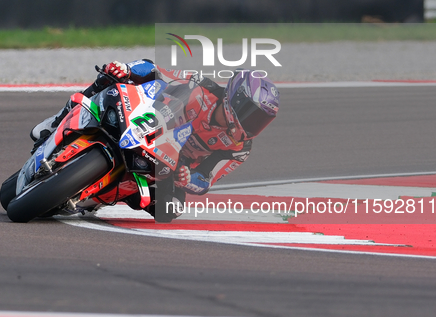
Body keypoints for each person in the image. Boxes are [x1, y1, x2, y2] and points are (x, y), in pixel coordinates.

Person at [30, 60, 280, 217]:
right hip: (147, 121)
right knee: (110, 77)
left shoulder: (239, 149)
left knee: (172, 209)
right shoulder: (199, 83)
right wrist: (128, 70)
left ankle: (101, 195)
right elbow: (155, 70)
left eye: (261, 121)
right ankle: (55, 122)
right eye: (252, 115)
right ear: (235, 97)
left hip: (168, 166)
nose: (253, 125)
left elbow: (206, 179)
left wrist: (188, 178)